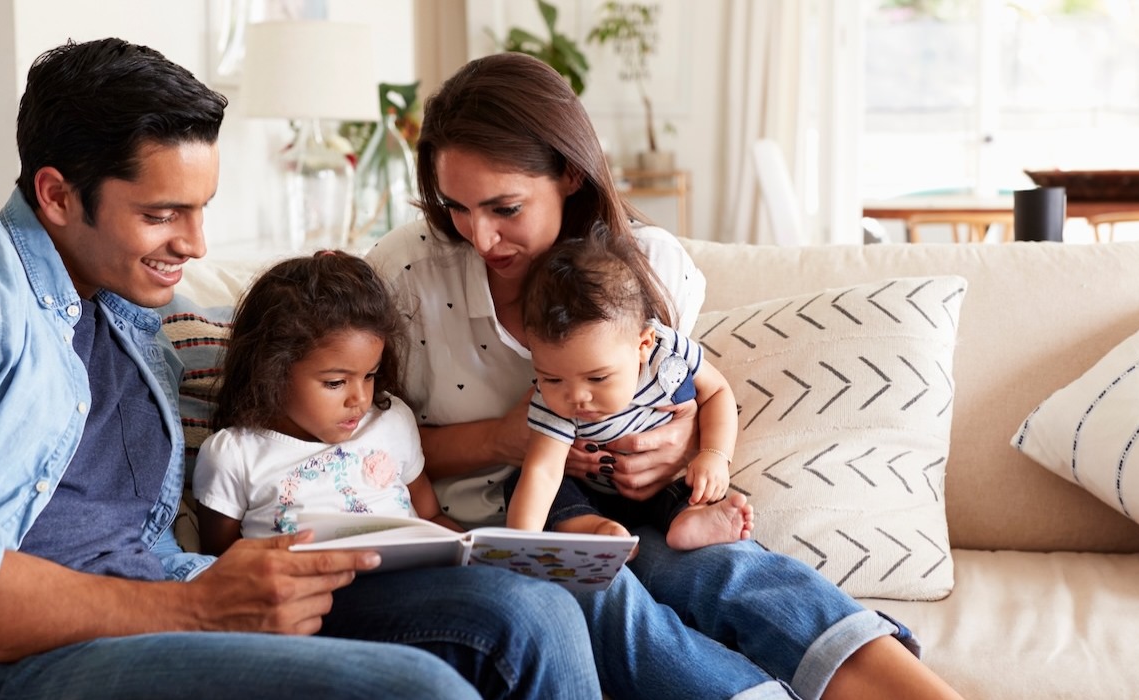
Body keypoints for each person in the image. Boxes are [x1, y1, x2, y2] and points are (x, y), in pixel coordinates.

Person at [0, 39, 597, 700]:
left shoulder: (128, 309)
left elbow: (292, 358)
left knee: (531, 614)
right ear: (56, 195)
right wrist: (196, 608)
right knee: (416, 692)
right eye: (162, 214)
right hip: (0, 665)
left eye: (201, 210)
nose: (194, 245)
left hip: (176, 595)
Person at [366, 52, 965, 700]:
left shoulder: (648, 266)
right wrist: (505, 440)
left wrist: (680, 448)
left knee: (728, 572)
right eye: (456, 207)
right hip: (501, 528)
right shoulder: (406, 274)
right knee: (596, 590)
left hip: (639, 506)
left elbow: (682, 396)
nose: (480, 237)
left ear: (569, 173)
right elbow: (352, 446)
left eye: (505, 207)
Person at [191, 251, 460, 553]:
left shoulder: (392, 419)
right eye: (335, 383)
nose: (360, 399)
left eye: (370, 375)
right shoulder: (234, 455)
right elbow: (222, 566)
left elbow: (431, 517)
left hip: (417, 580)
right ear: (272, 372)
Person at [508, 235, 753, 551]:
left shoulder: (666, 356)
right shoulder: (552, 400)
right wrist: (517, 548)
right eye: (552, 379)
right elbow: (543, 471)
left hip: (663, 484)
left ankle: (690, 520)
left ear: (643, 344)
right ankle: (593, 528)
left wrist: (715, 455)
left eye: (597, 378)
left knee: (693, 486)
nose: (576, 396)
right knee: (524, 482)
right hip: (592, 495)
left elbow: (717, 391)